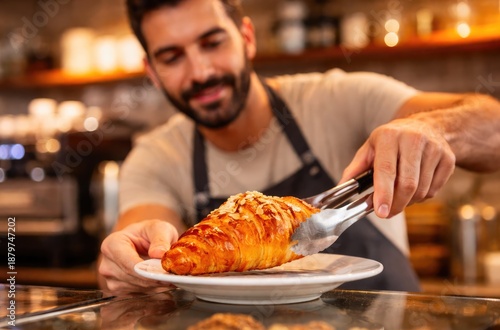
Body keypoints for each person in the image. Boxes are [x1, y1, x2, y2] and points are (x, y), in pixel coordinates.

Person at [98, 0, 500, 293]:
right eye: (172, 57)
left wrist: (436, 129)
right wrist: (134, 260)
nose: (200, 72)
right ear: (151, 71)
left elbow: (492, 123)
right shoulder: (154, 155)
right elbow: (145, 238)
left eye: (213, 43)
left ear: (246, 38)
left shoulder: (341, 97)